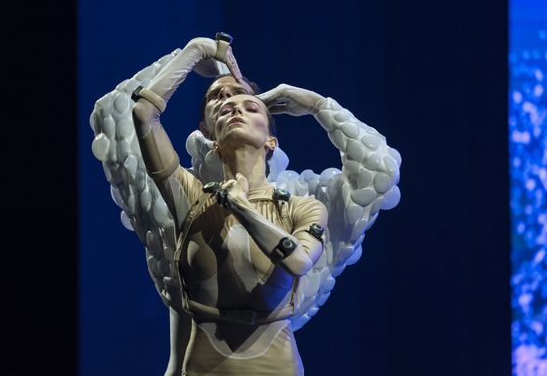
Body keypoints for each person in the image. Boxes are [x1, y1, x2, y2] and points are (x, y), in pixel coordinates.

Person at [90, 34, 401, 375]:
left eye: (246, 100)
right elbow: (119, 114)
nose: (230, 100)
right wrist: (188, 56)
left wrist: (317, 105)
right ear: (207, 132)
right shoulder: (180, 195)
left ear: (270, 134)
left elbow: (379, 171)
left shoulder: (305, 199)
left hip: (272, 353)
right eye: (218, 99)